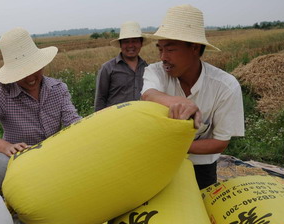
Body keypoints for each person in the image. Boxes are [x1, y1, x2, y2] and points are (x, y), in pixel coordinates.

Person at [140, 4, 245, 189]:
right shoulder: (155, 72)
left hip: (201, 166)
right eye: (160, 49)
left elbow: (219, 142)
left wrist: (173, 147)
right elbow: (149, 95)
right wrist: (180, 102)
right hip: (159, 163)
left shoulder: (225, 86)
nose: (163, 57)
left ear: (195, 48)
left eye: (170, 50)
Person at [0, 27, 81, 157]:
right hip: (22, 163)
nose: (31, 78)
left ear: (41, 65)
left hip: (55, 156)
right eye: (23, 74)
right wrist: (7, 147)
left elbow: (73, 122)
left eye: (34, 70)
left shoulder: (58, 89)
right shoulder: (2, 93)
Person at [94, 21, 148, 111]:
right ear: (120, 44)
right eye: (126, 42)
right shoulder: (107, 68)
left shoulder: (147, 68)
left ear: (141, 43)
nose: (130, 45)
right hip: (115, 121)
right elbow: (100, 99)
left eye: (134, 41)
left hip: (140, 121)